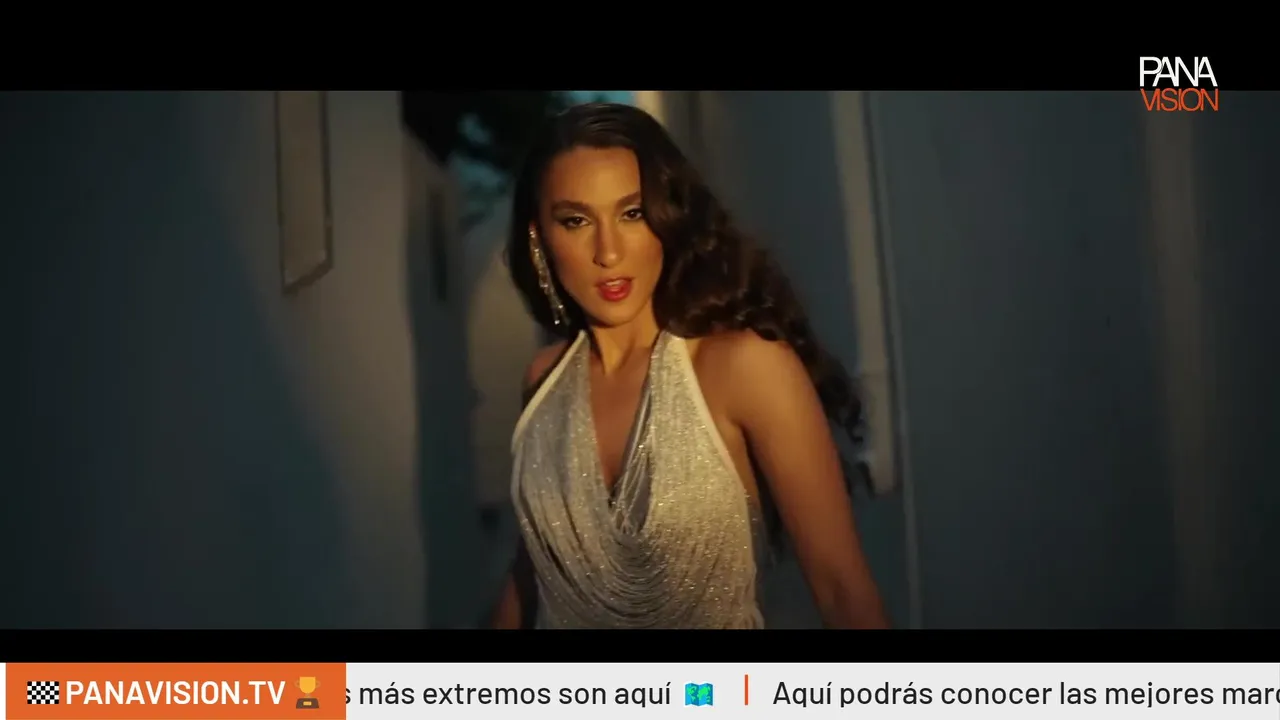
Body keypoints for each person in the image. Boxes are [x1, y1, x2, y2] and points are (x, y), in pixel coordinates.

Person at [488, 102, 889, 629]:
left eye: (632, 213)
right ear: (538, 237)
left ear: (668, 218)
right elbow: (531, 577)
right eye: (576, 221)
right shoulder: (542, 380)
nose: (608, 252)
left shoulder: (744, 367)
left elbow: (842, 590)